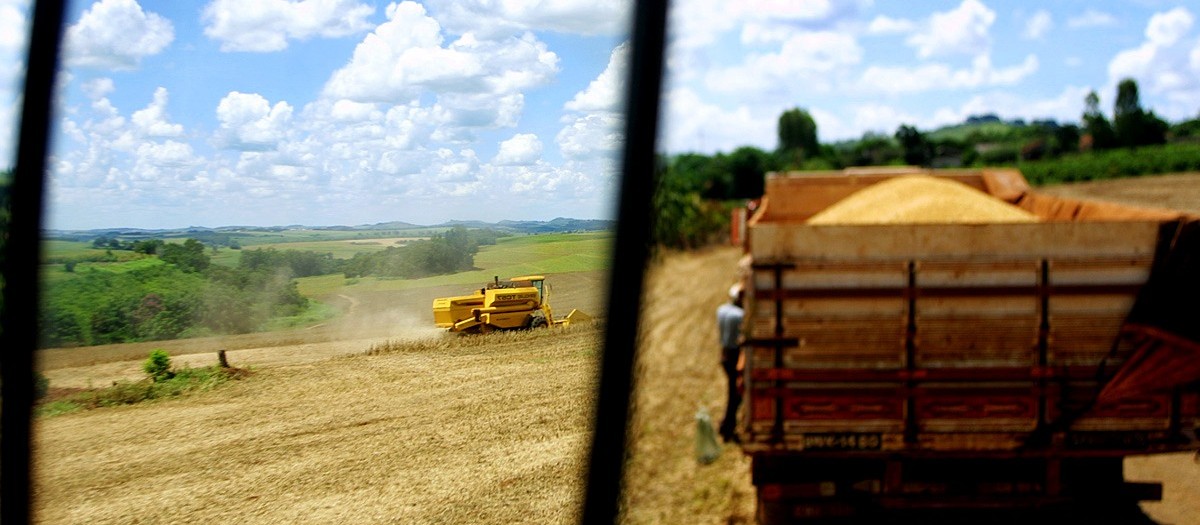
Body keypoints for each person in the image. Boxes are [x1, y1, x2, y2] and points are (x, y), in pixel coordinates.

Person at [716, 282, 745, 442]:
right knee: (735, 393)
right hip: (735, 355)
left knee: (732, 391)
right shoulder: (739, 315)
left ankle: (727, 425)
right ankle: (727, 426)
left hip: (724, 354)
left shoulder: (721, 310)